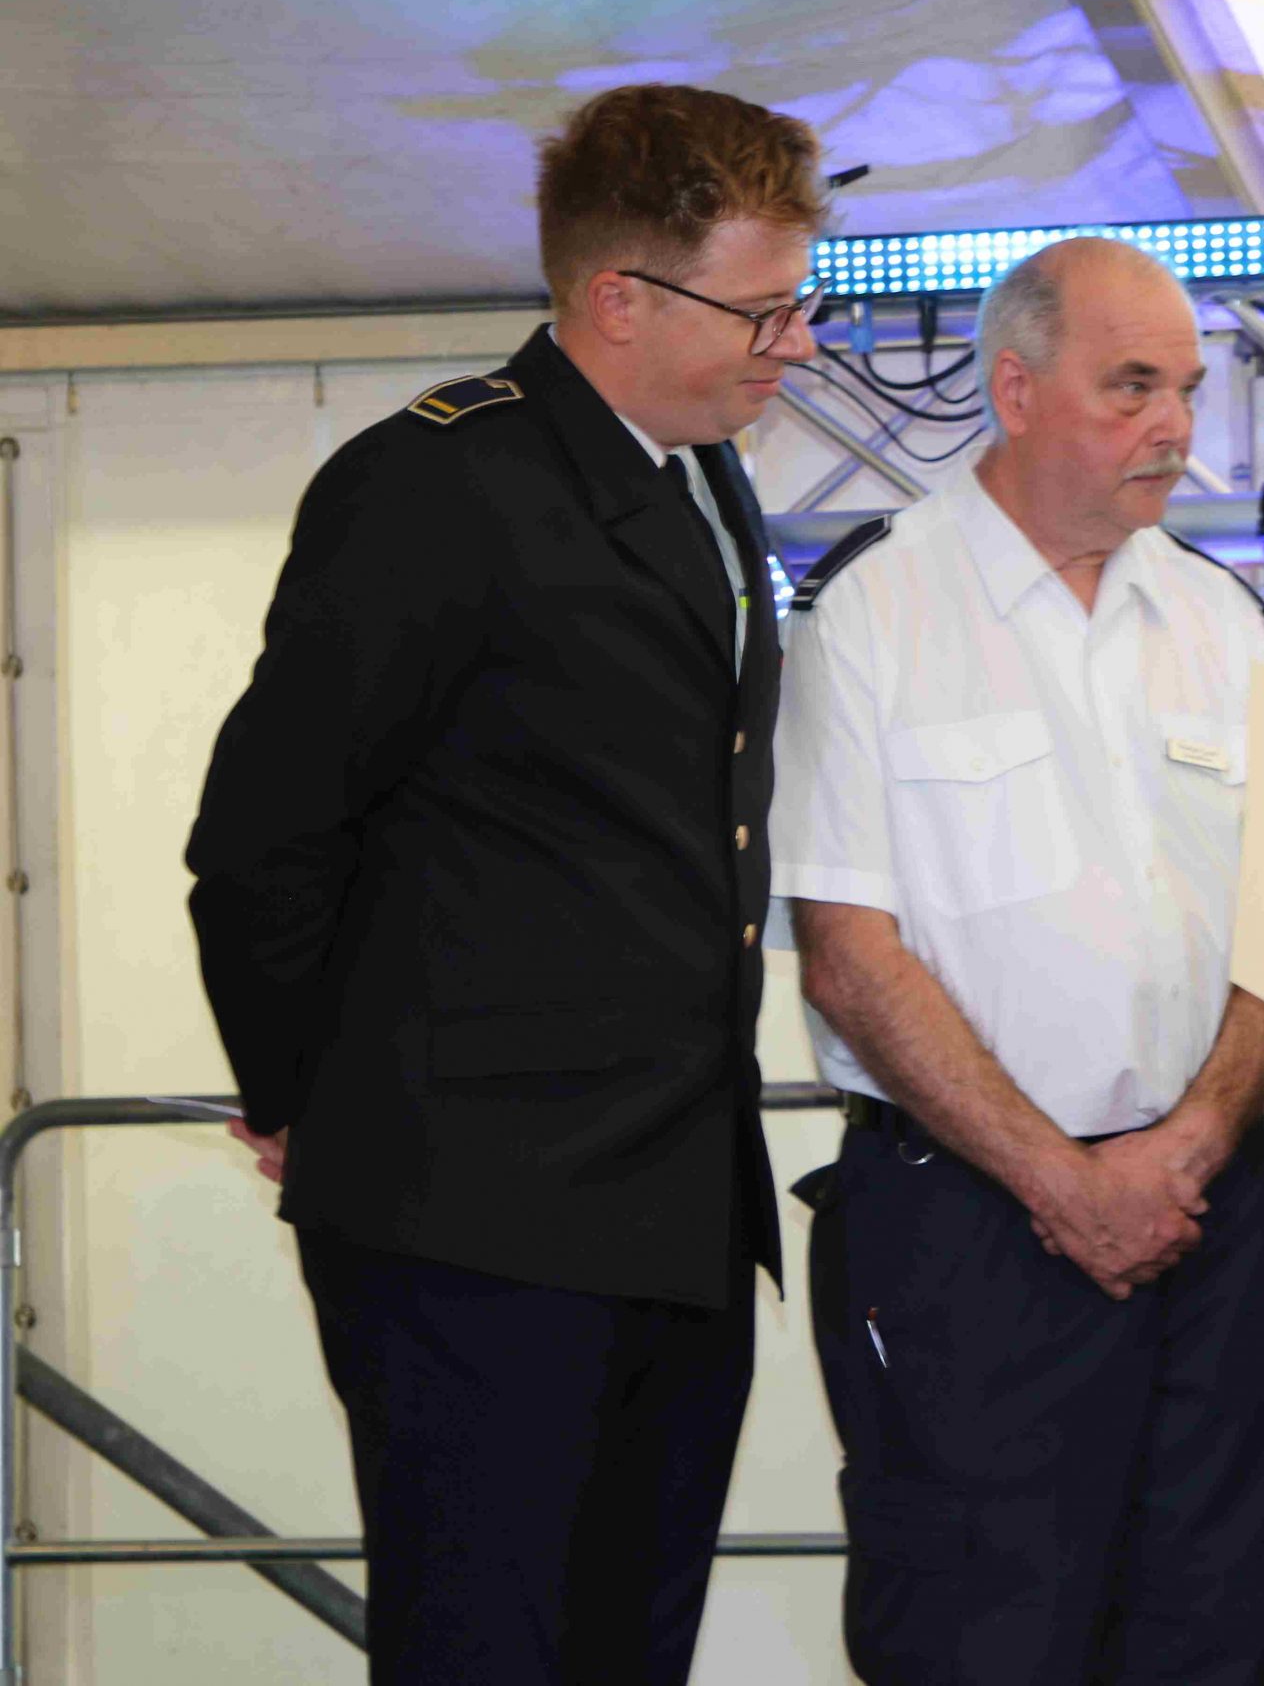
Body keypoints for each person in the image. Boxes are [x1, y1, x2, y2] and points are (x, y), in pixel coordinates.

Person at [184, 84, 824, 1685]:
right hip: (476, 1219)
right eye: (761, 311)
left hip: (671, 1210)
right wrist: (304, 1098)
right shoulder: (439, 485)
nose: (797, 344)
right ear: (619, 298)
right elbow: (266, 834)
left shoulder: (701, 477)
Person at [770, 236, 1264, 1686]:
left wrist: (1191, 1143)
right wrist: (1065, 1184)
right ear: (1013, 391)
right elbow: (847, 958)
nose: (1173, 425)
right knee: (980, 1644)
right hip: (973, 1230)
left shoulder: (1218, 614)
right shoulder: (874, 610)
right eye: (1132, 386)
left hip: (1199, 1216)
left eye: (1186, 389)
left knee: (1217, 1642)